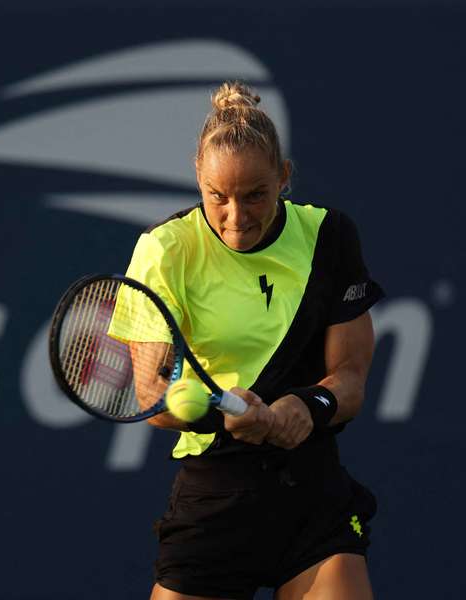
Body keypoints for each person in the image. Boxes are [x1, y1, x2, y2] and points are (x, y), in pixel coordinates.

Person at [122, 81, 384, 600]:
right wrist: (226, 412)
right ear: (197, 177)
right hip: (216, 496)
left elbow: (350, 380)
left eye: (256, 195)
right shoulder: (164, 250)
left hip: (312, 494)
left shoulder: (328, 236)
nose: (236, 218)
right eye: (217, 197)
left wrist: (308, 406)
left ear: (284, 177)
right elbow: (152, 396)